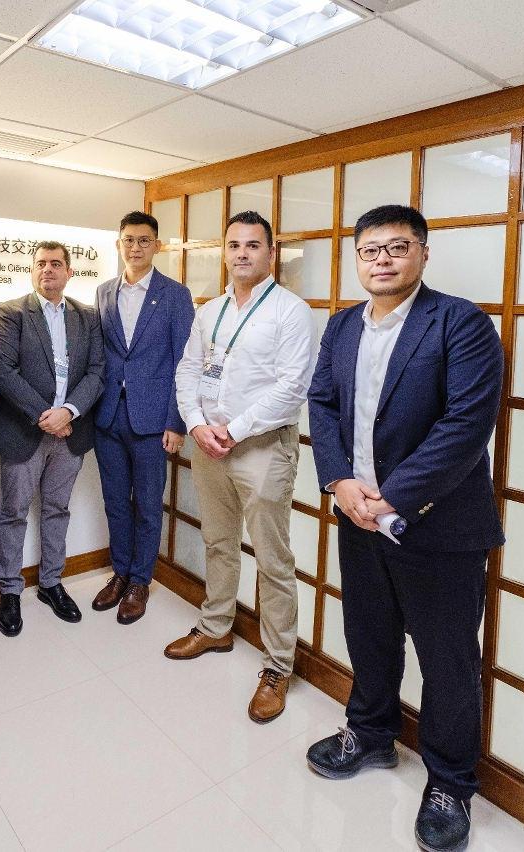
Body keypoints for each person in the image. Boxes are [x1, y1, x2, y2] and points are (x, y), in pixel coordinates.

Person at [305, 205, 504, 852]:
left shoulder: (460, 322)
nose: (382, 260)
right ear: (357, 259)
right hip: (356, 515)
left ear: (422, 253)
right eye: (370, 250)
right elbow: (322, 403)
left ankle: (450, 783)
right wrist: (339, 481)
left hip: (437, 527)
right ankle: (370, 733)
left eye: (397, 247)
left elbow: (466, 424)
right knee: (369, 635)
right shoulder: (342, 325)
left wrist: (390, 498)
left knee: (448, 662)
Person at [165, 211, 317, 724]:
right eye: (234, 245)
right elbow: (189, 369)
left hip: (262, 447)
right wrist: (196, 424)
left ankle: (278, 665)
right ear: (224, 252)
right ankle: (215, 627)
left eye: (253, 245)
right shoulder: (210, 311)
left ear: (271, 252)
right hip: (209, 443)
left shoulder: (291, 311)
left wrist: (234, 429)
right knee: (218, 541)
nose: (242, 253)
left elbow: (293, 386)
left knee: (273, 559)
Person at [0, 242, 105, 636]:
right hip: (24, 431)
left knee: (57, 509)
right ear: (32, 270)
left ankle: (52, 583)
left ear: (69, 272)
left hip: (71, 432)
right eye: (41, 264)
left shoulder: (88, 316)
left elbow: (97, 372)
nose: (48, 270)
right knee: (14, 512)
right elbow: (4, 371)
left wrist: (68, 411)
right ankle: (10, 589)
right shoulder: (12, 312)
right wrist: (47, 416)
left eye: (56, 264)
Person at [91, 211, 194, 624]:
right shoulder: (103, 292)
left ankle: (140, 582)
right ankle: (120, 573)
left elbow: (185, 362)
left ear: (157, 245)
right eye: (129, 240)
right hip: (108, 416)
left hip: (154, 420)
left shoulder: (175, 295)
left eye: (144, 240)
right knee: (115, 502)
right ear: (119, 245)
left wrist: (176, 421)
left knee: (149, 505)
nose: (136, 247)